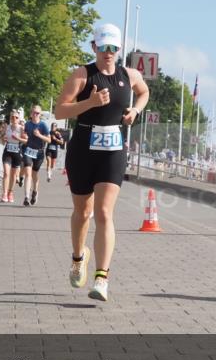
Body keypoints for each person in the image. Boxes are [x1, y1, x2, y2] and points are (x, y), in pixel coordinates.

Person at [54, 23, 150, 301]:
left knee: (104, 213)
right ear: (94, 47)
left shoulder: (129, 75)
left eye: (113, 48)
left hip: (113, 149)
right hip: (83, 148)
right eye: (103, 47)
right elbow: (61, 110)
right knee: (83, 212)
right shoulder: (82, 75)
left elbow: (144, 92)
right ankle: (77, 257)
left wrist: (135, 110)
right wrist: (90, 103)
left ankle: (102, 279)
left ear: (120, 50)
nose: (108, 52)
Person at [20, 105, 51, 206]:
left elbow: (49, 140)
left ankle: (35, 192)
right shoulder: (28, 124)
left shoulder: (43, 125)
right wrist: (24, 136)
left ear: (40, 114)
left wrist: (39, 135)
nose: (35, 115)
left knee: (34, 174)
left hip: (39, 152)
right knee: (28, 174)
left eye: (37, 113)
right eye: (33, 112)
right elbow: (24, 136)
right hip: (28, 151)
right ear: (31, 114)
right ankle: (26, 197)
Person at [0, 110, 27, 204]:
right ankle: (4, 193)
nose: (14, 119)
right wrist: (3, 139)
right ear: (10, 118)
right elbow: (2, 141)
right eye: (12, 117)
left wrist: (18, 138)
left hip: (16, 152)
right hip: (7, 152)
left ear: (19, 119)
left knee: (14, 175)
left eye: (16, 117)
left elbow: (26, 141)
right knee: (6, 173)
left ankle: (10, 192)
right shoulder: (7, 127)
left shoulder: (21, 128)